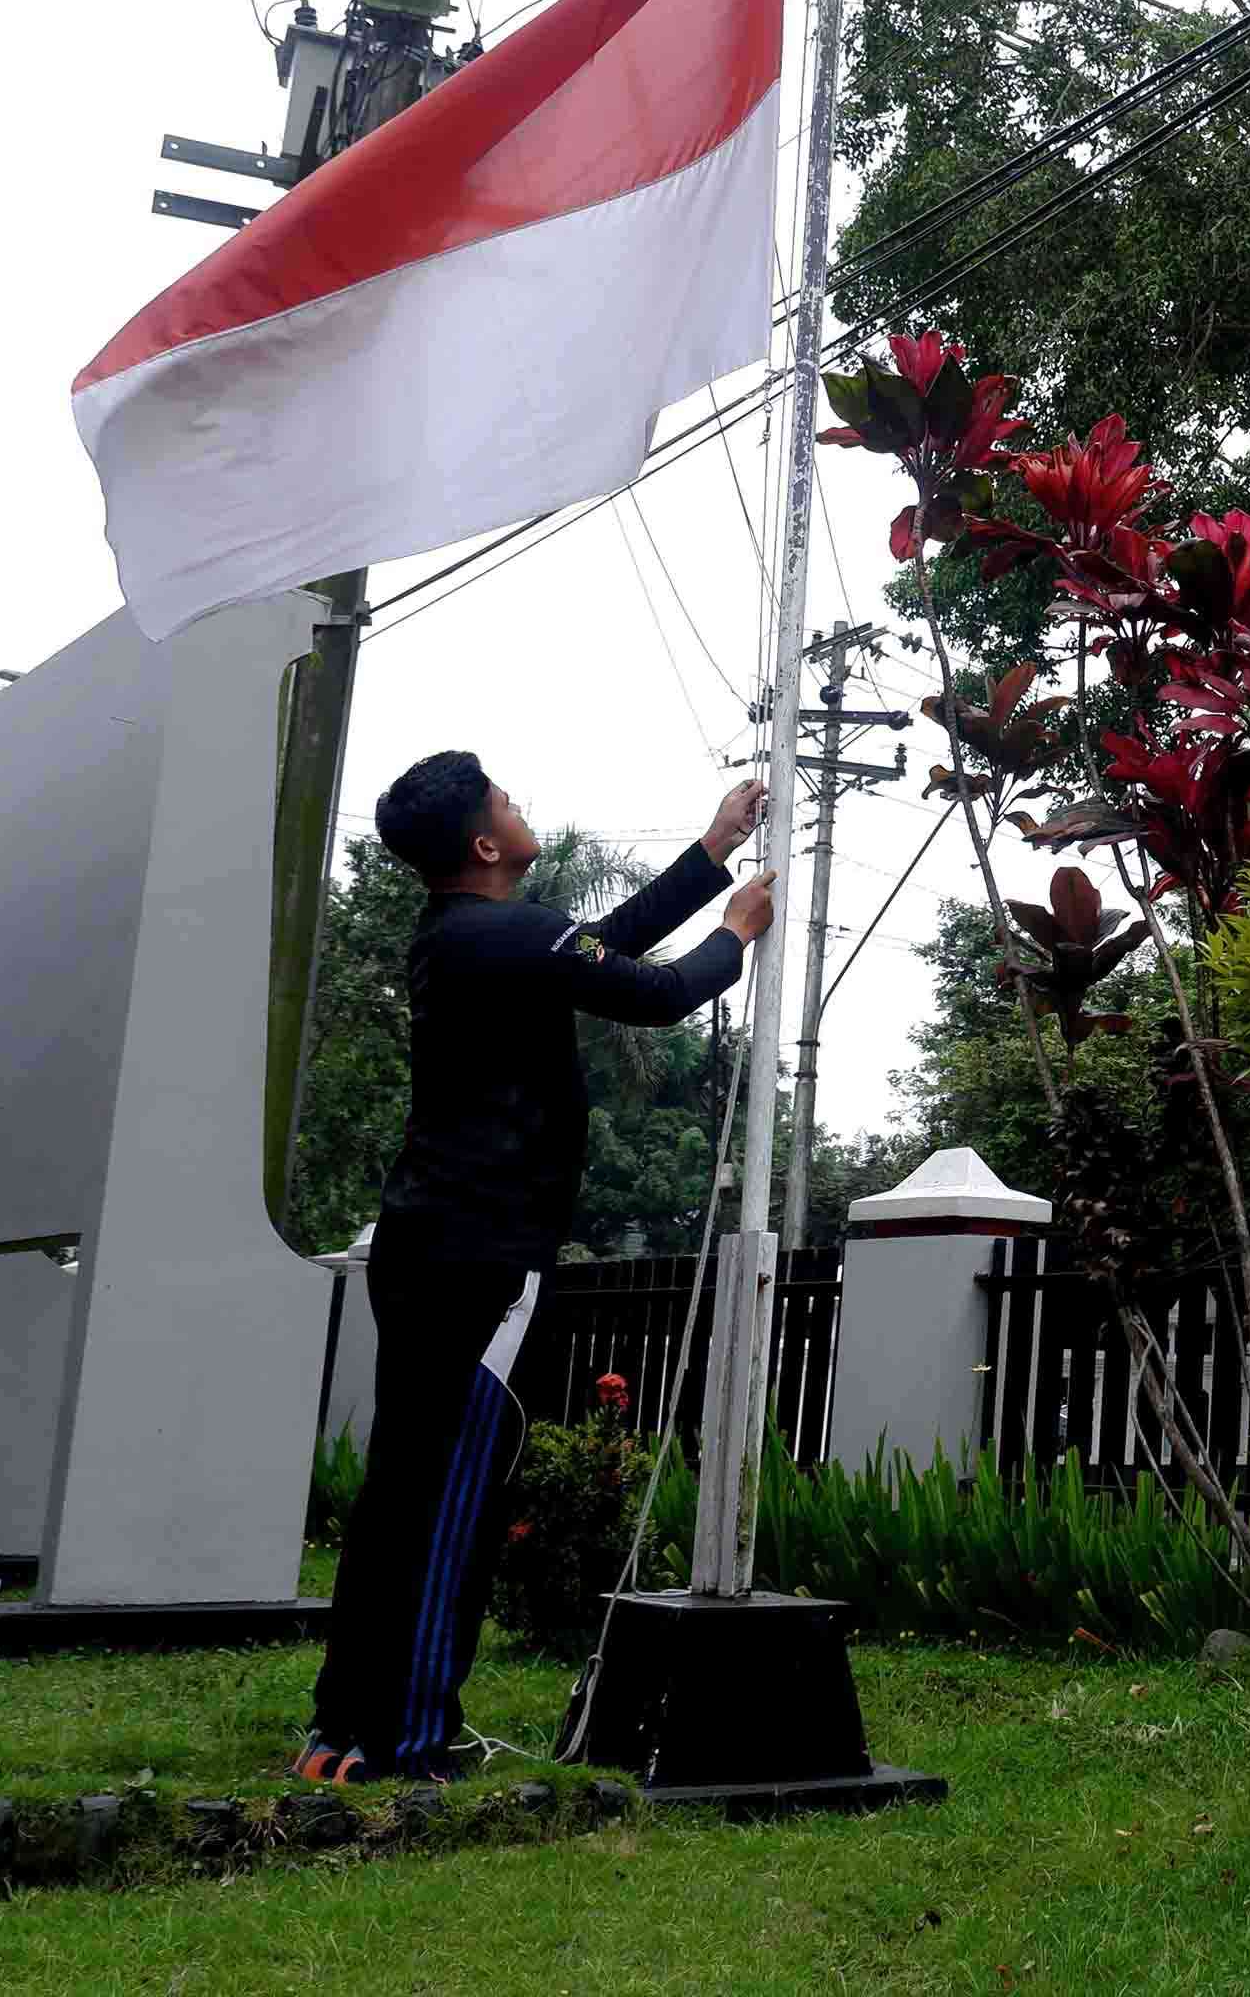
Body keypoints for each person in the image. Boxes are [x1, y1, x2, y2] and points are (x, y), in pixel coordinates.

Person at [296, 751, 771, 1786]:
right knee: (451, 1492)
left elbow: (602, 948)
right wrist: (735, 937)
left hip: (428, 1243)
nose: (520, 810)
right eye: (506, 804)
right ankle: (405, 1740)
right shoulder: (500, 935)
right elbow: (651, 990)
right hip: (485, 1255)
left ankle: (342, 1729)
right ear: (481, 843)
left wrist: (713, 849)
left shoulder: (463, 939)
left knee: (399, 1491)